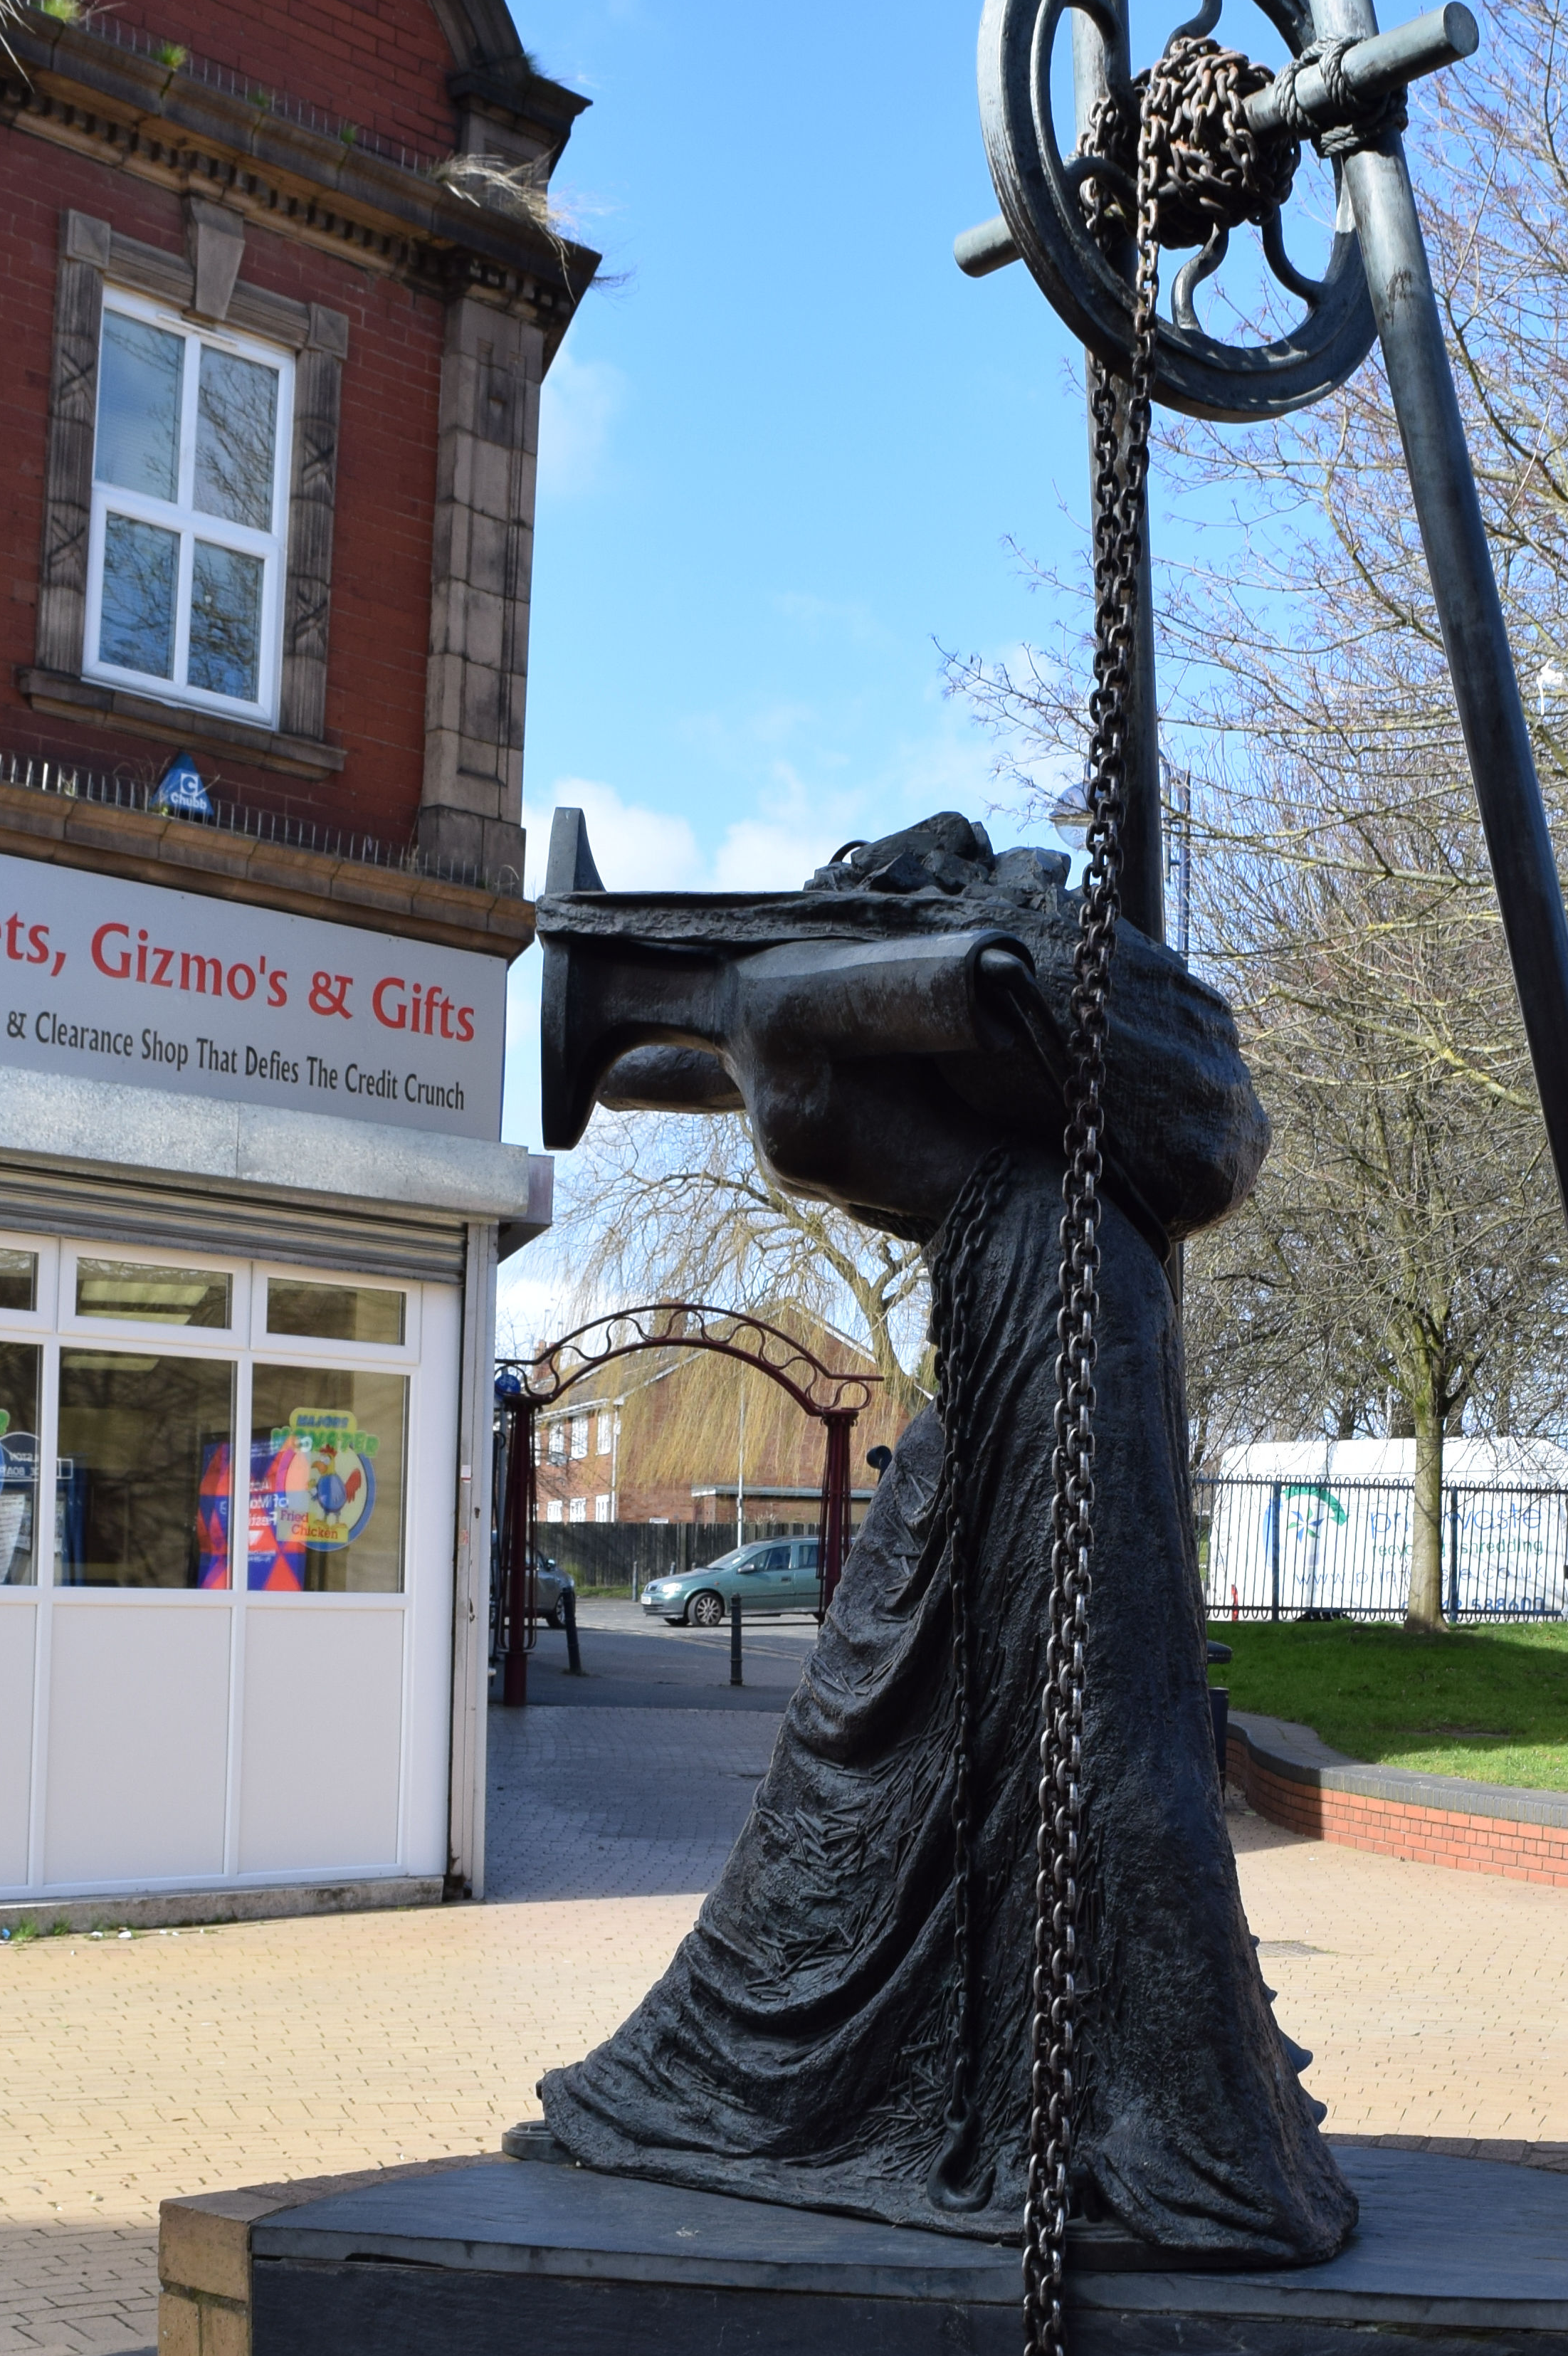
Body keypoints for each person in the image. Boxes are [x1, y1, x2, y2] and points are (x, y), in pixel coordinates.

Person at [507, 810, 1354, 2268]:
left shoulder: (942, 995)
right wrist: (664, 1000)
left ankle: (1179, 2125)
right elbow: (723, 1048)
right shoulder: (875, 1033)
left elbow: (804, 1017)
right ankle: (829, 2073)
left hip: (1048, 1328)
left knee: (1088, 1725)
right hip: (1031, 1321)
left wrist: (722, 981)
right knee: (884, 1711)